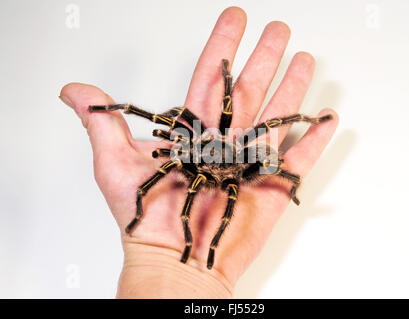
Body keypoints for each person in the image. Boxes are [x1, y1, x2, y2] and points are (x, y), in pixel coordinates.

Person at [59, 6, 338, 298]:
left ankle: (211, 244)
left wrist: (228, 82)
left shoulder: (207, 172)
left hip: (239, 169)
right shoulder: (199, 141)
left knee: (252, 146)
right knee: (182, 117)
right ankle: (195, 243)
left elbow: (196, 162)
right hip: (227, 156)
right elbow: (182, 114)